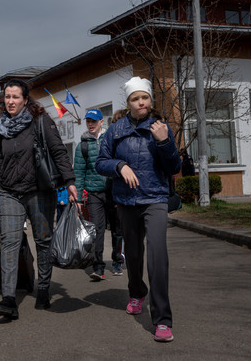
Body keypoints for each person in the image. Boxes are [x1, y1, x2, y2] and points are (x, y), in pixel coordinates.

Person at [96, 76, 181, 342]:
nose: (140, 102)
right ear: (129, 102)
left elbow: (174, 168)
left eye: (144, 97)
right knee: (132, 255)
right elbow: (101, 162)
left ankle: (162, 320)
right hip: (126, 201)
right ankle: (136, 292)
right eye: (135, 98)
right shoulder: (115, 129)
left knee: (157, 258)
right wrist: (120, 166)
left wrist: (165, 142)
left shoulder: (160, 127)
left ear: (150, 100)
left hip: (155, 199)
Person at [0, 79, 77, 320]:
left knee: (43, 240)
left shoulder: (40, 121)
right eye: (7, 97)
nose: (10, 101)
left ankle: (44, 288)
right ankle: (8, 298)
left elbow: (58, 150)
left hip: (39, 190)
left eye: (15, 97)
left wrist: (69, 182)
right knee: (9, 242)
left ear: (25, 99)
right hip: (9, 192)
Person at [74, 108, 124, 279]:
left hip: (113, 191)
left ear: (101, 122)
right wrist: (79, 199)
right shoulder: (82, 146)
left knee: (117, 229)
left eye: (94, 121)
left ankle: (117, 261)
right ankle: (98, 267)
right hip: (94, 194)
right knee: (97, 231)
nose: (90, 124)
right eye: (88, 121)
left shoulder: (110, 140)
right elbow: (79, 174)